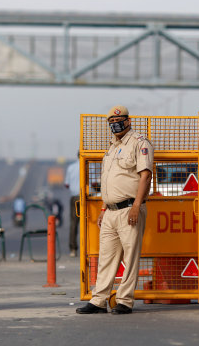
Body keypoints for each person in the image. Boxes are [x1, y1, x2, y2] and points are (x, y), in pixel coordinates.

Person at [76, 105, 153, 315]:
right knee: (106, 257)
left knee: (130, 257)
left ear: (128, 121)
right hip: (109, 211)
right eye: (111, 121)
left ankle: (125, 300)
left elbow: (145, 176)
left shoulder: (139, 143)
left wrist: (137, 206)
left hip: (130, 209)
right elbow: (108, 181)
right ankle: (99, 300)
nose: (115, 124)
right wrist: (103, 208)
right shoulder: (110, 147)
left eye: (119, 120)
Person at [64, 152, 80, 257]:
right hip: (87, 198)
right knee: (88, 223)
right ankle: (88, 246)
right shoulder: (89, 165)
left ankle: (72, 249)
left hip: (74, 197)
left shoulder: (71, 168)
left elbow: (66, 184)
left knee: (74, 223)